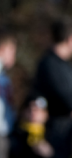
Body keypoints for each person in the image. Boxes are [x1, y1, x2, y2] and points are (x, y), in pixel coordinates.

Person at [32, 18, 72, 158]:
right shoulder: (51, 65)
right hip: (54, 134)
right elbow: (68, 99)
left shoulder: (61, 65)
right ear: (69, 39)